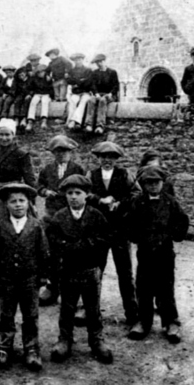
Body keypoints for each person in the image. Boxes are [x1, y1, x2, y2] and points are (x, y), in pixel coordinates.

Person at [47, 174, 113, 364]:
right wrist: (67, 248)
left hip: (90, 269)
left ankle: (96, 339)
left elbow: (104, 239)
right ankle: (65, 339)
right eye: (69, 193)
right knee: (67, 306)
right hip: (68, 269)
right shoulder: (59, 217)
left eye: (78, 193)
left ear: (87, 195)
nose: (73, 197)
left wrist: (85, 247)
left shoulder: (95, 215)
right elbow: (53, 241)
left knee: (92, 307)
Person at [125, 165, 189, 344]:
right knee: (143, 287)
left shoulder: (170, 202)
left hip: (164, 252)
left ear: (162, 183)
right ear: (143, 184)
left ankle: (171, 322)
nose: (153, 186)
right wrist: (137, 237)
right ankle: (143, 321)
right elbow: (129, 222)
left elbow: (182, 221)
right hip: (145, 252)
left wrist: (173, 235)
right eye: (148, 183)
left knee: (165, 287)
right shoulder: (138, 202)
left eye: (156, 182)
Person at [0, 183, 49, 371]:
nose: (18, 205)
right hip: (7, 278)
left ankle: (31, 348)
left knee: (30, 314)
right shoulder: (1, 225)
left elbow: (43, 252)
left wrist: (43, 275)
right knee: (6, 313)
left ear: (29, 203)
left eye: (21, 201)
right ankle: (4, 346)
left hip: (29, 279)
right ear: (6, 205)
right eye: (13, 201)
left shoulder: (36, 226)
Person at [87, 141, 139, 325]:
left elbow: (136, 194)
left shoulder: (125, 175)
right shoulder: (91, 175)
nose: (107, 160)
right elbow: (85, 194)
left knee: (125, 272)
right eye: (103, 157)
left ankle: (132, 312)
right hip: (98, 230)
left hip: (120, 230)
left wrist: (119, 202)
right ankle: (89, 310)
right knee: (94, 270)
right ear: (98, 158)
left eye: (111, 157)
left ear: (116, 159)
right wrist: (100, 200)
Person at [37, 135, 84, 306]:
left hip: (71, 215)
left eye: (65, 152)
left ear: (71, 153)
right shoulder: (47, 169)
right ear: (53, 153)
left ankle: (72, 292)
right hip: (52, 214)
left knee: (72, 252)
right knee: (52, 252)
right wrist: (45, 192)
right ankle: (52, 288)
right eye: (58, 152)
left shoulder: (78, 169)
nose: (61, 155)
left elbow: (84, 189)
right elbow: (39, 186)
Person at [0, 119, 36, 218]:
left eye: (7, 135)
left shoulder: (21, 154)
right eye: (1, 134)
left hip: (17, 192)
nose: (4, 138)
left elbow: (29, 178)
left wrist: (33, 201)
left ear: (13, 135)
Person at [84, 54, 120, 135]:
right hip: (99, 94)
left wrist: (111, 93)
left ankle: (100, 125)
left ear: (104, 61)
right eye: (97, 63)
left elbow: (116, 85)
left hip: (109, 95)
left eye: (100, 62)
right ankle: (89, 124)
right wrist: (96, 93)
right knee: (91, 100)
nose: (99, 64)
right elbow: (93, 85)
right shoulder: (95, 73)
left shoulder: (112, 72)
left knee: (102, 101)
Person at [66, 53, 93, 131]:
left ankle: (74, 121)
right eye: (76, 60)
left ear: (82, 60)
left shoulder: (88, 70)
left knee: (83, 102)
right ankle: (71, 121)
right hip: (76, 92)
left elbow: (88, 82)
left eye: (80, 59)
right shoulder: (71, 71)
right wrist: (81, 81)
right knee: (72, 102)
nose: (78, 61)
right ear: (74, 61)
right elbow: (69, 81)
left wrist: (76, 82)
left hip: (86, 92)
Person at [25, 63, 53, 132]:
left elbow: (51, 88)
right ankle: (30, 121)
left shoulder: (48, 78)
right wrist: (29, 94)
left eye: (43, 72)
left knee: (44, 102)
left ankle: (44, 120)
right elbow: (30, 88)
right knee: (33, 103)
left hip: (46, 94)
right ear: (37, 73)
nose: (41, 73)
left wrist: (52, 96)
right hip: (37, 94)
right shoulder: (34, 79)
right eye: (39, 72)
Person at [11, 66, 32, 131]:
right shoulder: (17, 81)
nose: (21, 76)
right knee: (17, 100)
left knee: (27, 101)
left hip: (28, 95)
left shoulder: (30, 80)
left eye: (22, 74)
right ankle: (16, 118)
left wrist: (30, 94)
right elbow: (14, 89)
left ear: (25, 73)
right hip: (21, 94)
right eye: (19, 75)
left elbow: (34, 89)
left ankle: (24, 118)